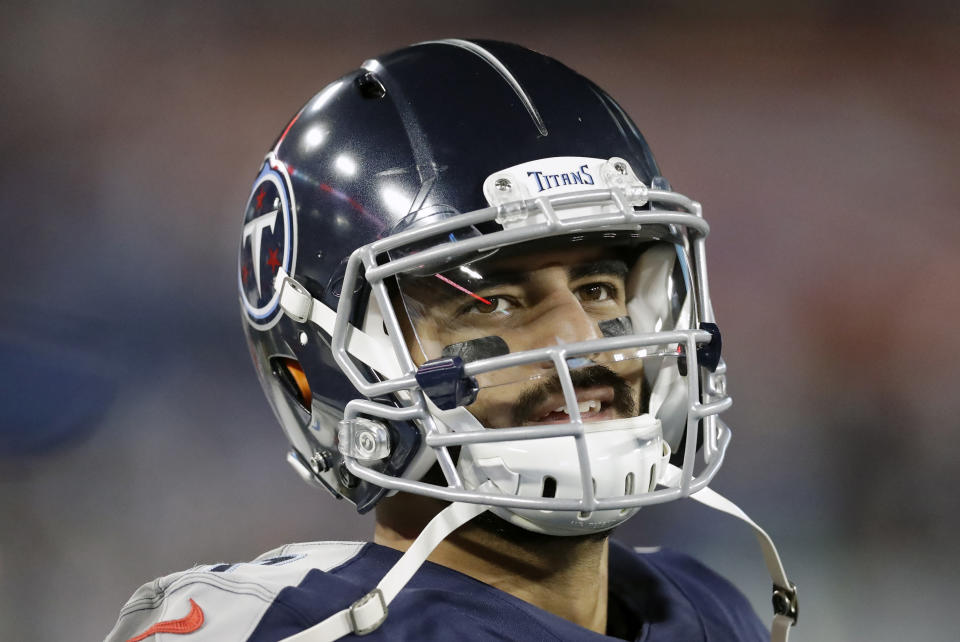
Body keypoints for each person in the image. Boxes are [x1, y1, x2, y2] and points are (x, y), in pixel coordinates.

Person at [106, 39, 797, 641]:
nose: (578, 337)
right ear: (329, 355)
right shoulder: (281, 628)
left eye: (598, 289)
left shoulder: (708, 612)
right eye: (493, 301)